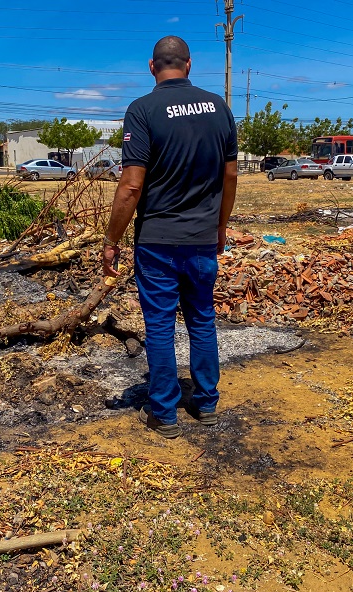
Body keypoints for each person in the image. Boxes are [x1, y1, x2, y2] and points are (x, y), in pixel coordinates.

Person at [102, 36, 238, 438]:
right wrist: (220, 225)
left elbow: (130, 186)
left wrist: (112, 239)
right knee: (201, 319)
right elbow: (230, 175)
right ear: (189, 65)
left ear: (151, 67)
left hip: (158, 241)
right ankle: (206, 403)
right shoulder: (219, 107)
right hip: (200, 239)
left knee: (160, 326)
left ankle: (164, 412)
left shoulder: (142, 110)